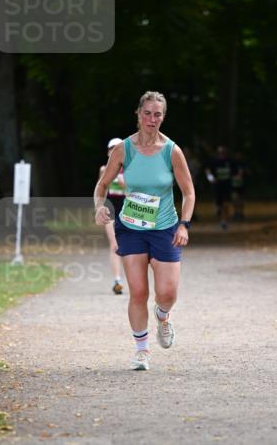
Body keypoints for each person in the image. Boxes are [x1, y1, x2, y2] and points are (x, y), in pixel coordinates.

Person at [94, 91, 195, 371]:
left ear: (164, 117)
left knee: (168, 293)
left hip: (164, 228)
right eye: (147, 113)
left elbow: (188, 193)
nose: (152, 119)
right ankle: (141, 351)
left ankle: (163, 316)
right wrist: (99, 206)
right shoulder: (123, 149)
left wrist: (184, 224)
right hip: (131, 227)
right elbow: (102, 185)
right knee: (138, 292)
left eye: (158, 114)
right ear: (138, 114)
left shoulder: (171, 151)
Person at [99, 138, 126, 295]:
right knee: (115, 245)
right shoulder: (104, 169)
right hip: (111, 210)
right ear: (108, 151)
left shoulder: (130, 169)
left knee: (130, 246)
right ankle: (117, 280)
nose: (115, 150)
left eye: (118, 148)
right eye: (112, 148)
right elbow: (100, 189)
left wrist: (125, 184)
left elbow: (135, 194)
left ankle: (134, 279)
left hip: (128, 211)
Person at [205, 146, 235, 230]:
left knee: (226, 204)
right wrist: (211, 179)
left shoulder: (230, 161)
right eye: (220, 153)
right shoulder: (214, 162)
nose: (222, 155)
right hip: (218, 186)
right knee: (220, 204)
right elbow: (207, 171)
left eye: (223, 153)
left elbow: (235, 171)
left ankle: (224, 220)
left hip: (227, 186)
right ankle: (222, 217)